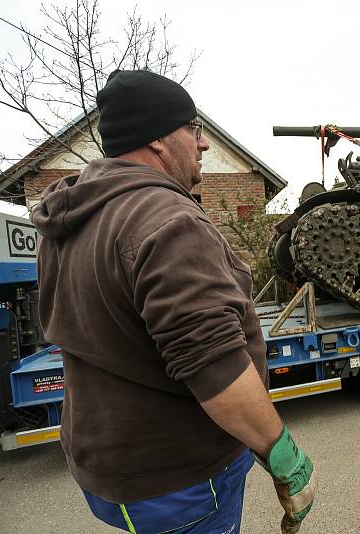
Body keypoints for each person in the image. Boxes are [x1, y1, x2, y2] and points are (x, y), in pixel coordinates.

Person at [32, 69, 315, 534]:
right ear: (159, 139)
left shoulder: (68, 221)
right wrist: (282, 454)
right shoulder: (166, 220)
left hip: (107, 465)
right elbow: (213, 364)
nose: (202, 144)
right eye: (193, 129)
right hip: (178, 479)